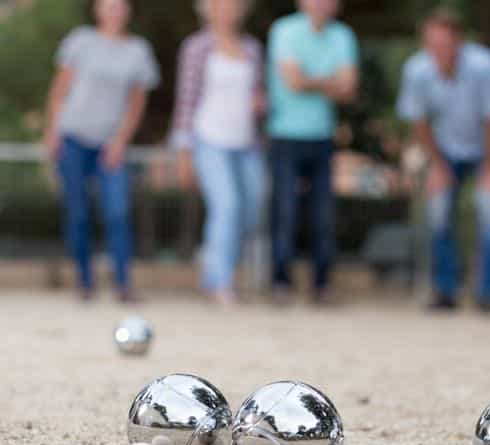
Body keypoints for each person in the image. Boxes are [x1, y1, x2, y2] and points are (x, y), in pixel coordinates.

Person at [397, 8, 490, 314]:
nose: (440, 53)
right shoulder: (417, 70)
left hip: (489, 146)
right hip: (445, 148)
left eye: (446, 45)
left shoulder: (485, 65)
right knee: (438, 213)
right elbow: (419, 122)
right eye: (432, 46)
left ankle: (487, 293)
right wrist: (437, 165)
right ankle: (445, 291)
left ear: (459, 42)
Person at [43, 0, 160, 303]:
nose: (115, 10)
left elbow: (136, 103)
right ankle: (84, 281)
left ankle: (123, 283)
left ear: (128, 11)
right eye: (109, 5)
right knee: (78, 212)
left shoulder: (138, 51)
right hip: (73, 138)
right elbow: (59, 91)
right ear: (97, 9)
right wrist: (52, 132)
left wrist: (120, 140)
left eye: (120, 5)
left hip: (110, 143)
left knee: (118, 212)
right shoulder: (80, 41)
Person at [171, 0, 267, 307]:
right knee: (226, 205)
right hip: (208, 140)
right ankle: (220, 283)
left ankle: (212, 258)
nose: (226, 10)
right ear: (207, 9)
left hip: (246, 144)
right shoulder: (196, 48)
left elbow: (257, 93)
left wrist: (260, 104)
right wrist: (184, 152)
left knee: (252, 210)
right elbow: (185, 101)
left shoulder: (252, 49)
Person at [267, 0, 359, 305]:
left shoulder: (343, 35)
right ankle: (280, 282)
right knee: (285, 211)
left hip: (322, 136)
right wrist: (330, 82)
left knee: (324, 215)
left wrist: (309, 80)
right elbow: (293, 82)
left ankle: (322, 285)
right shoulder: (283, 30)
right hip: (284, 135)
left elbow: (349, 88)